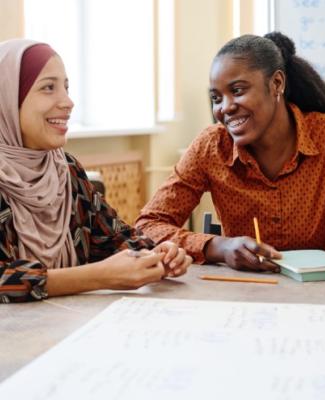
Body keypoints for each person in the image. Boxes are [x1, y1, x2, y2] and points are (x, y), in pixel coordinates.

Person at [136, 32, 325, 281]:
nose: (224, 108)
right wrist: (218, 247)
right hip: (243, 295)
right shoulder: (211, 146)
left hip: (321, 293)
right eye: (216, 98)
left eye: (237, 91)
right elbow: (148, 226)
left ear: (276, 84)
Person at [0, 38, 192, 303]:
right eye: (48, 88)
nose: (67, 102)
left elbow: (117, 239)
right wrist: (97, 277)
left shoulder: (65, 170)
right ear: (8, 98)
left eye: (66, 87)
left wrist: (158, 253)